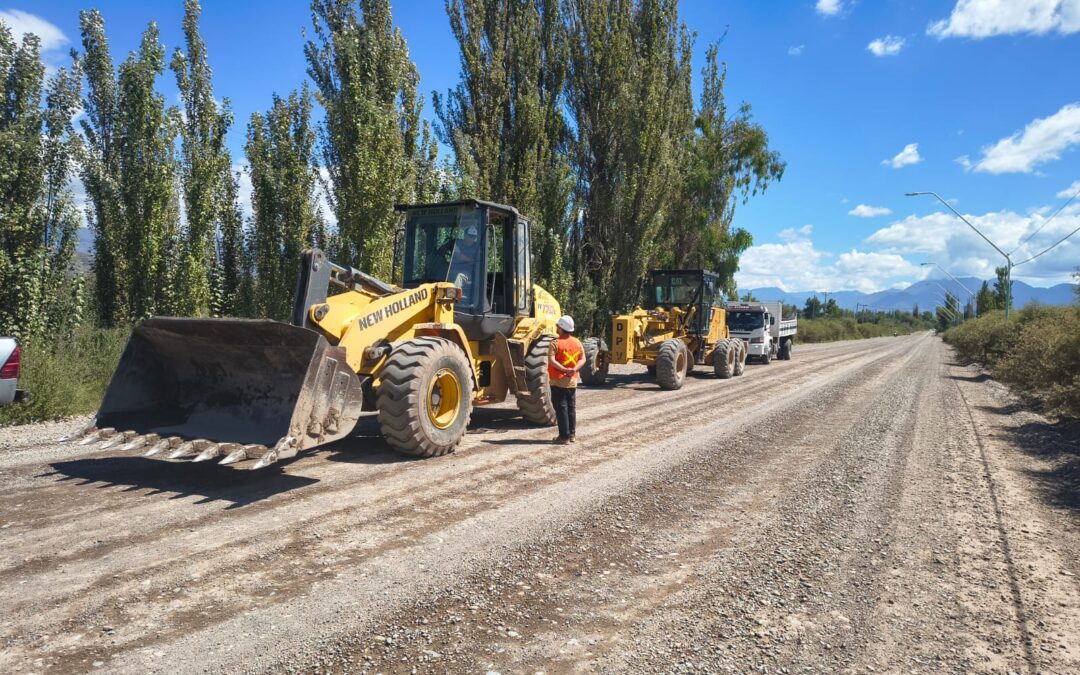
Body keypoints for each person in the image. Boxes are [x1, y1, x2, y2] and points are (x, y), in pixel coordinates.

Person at [548, 315, 584, 444]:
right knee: (571, 407)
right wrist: (574, 369)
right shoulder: (577, 342)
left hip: (558, 380)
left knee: (561, 407)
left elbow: (551, 361)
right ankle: (572, 435)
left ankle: (564, 437)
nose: (557, 328)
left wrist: (563, 369)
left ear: (560, 328)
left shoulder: (555, 343)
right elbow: (582, 358)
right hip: (572, 380)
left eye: (558, 326)